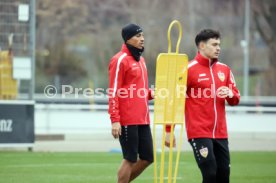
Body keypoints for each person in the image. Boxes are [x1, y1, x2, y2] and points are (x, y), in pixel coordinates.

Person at [165, 29, 240, 183]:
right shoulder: (187, 70)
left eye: (219, 44)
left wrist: (230, 94)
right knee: (210, 173)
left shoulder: (225, 70)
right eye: (214, 44)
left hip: (221, 133)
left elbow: (235, 99)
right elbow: (173, 100)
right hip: (198, 132)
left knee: (223, 176)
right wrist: (168, 130)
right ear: (202, 46)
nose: (218, 48)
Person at [108, 23, 154, 183]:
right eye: (138, 36)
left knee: (148, 157)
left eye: (142, 35)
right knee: (130, 158)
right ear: (128, 39)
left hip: (143, 119)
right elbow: (114, 91)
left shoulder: (141, 60)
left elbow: (138, 90)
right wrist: (115, 120)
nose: (142, 39)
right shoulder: (118, 60)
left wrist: (152, 93)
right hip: (127, 119)